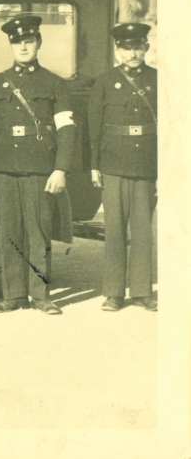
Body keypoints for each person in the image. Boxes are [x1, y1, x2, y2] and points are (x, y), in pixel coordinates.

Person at [0, 15, 76, 316]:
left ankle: (41, 295)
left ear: (38, 43)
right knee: (9, 232)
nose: (22, 46)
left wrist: (60, 168)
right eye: (17, 42)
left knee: (39, 232)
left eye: (28, 41)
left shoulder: (54, 83)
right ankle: (14, 295)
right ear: (11, 45)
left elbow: (66, 129)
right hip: (4, 167)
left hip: (39, 168)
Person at [89, 23, 157, 312]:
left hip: (145, 163)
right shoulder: (105, 81)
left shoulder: (157, 79)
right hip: (113, 163)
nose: (132, 53)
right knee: (114, 230)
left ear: (146, 48)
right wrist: (94, 165)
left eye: (137, 46)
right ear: (117, 50)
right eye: (126, 47)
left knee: (142, 230)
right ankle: (114, 292)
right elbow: (94, 126)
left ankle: (142, 292)